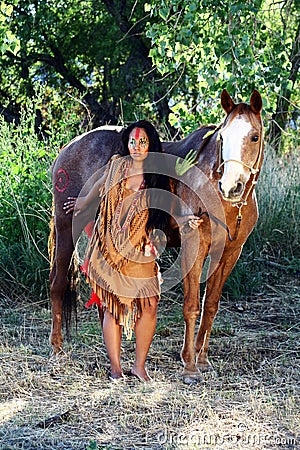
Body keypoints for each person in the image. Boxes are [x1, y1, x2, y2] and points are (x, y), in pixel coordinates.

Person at [64, 120, 202, 381]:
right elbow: (100, 184)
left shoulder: (157, 174)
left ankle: (139, 367)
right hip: (110, 245)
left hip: (140, 246)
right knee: (112, 307)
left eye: (142, 142)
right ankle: (116, 369)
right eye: (132, 141)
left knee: (149, 305)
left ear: (150, 145)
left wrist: (185, 220)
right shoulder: (117, 165)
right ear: (127, 143)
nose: (136, 146)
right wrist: (83, 201)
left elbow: (168, 202)